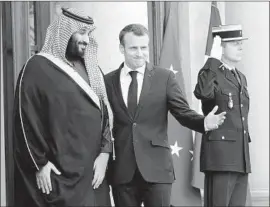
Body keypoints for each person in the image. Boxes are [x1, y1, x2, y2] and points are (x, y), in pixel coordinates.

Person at [104, 23, 226, 207]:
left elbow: (182, 112)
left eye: (144, 47)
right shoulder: (107, 81)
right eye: (133, 48)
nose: (140, 53)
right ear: (122, 48)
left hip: (157, 169)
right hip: (122, 170)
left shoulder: (165, 77)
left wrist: (203, 123)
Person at [13, 8, 113, 206]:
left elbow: (105, 116)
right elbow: (26, 121)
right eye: (81, 32)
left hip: (92, 174)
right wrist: (39, 164)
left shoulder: (93, 70)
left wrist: (105, 153)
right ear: (64, 31)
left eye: (89, 34)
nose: (86, 39)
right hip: (57, 173)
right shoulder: (36, 67)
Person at [194, 24, 251, 207]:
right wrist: (212, 60)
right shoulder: (211, 73)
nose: (240, 47)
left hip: (240, 157)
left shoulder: (240, 77)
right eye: (234, 43)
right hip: (220, 158)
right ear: (221, 47)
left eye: (240, 43)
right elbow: (203, 92)